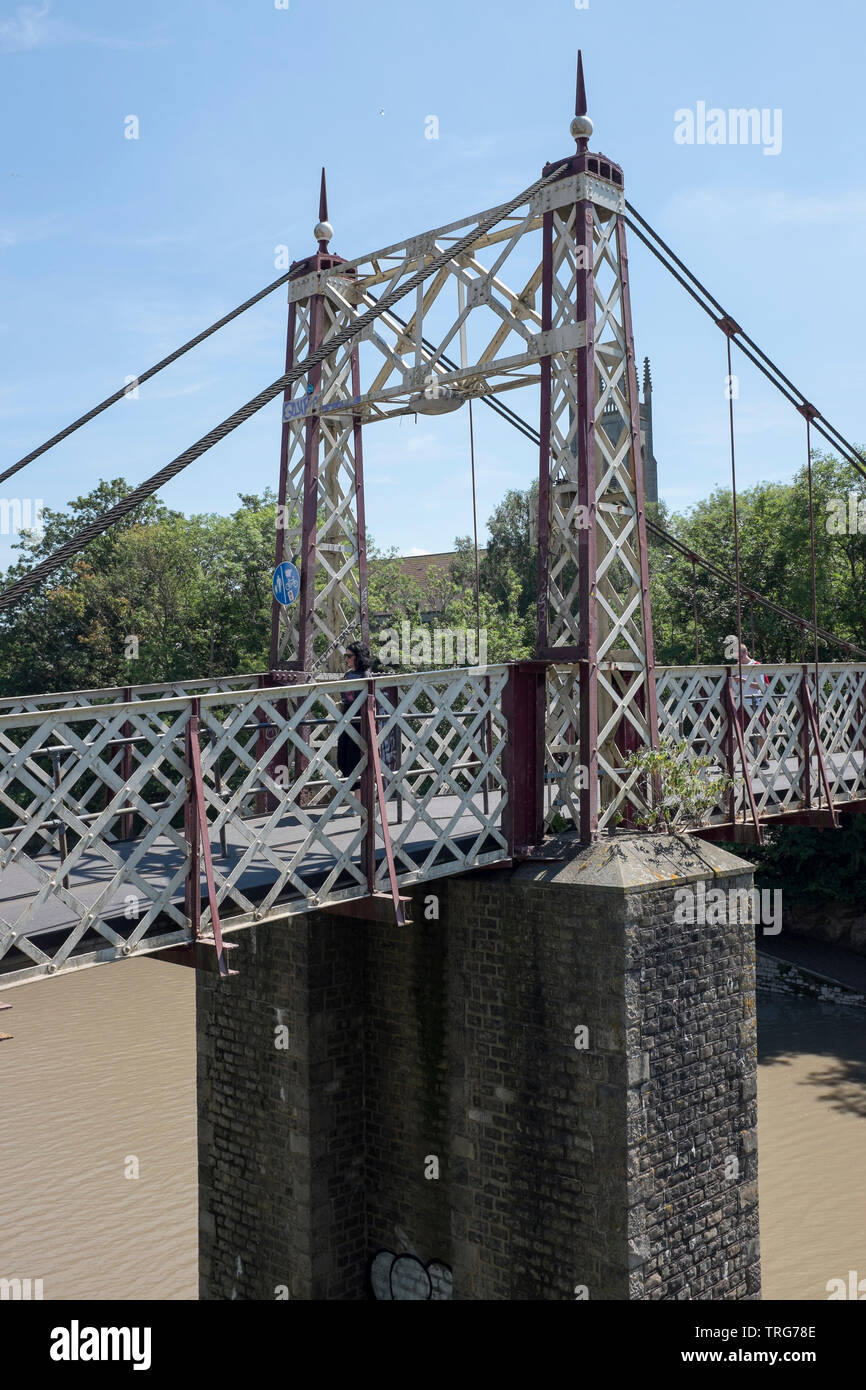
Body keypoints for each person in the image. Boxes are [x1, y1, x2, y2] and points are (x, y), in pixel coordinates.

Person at [337, 641, 374, 786]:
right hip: (347, 717)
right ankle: (355, 800)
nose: (347, 659)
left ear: (358, 656)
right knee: (343, 758)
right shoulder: (348, 674)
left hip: (360, 718)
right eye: (345, 656)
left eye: (349, 656)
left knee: (354, 758)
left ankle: (358, 801)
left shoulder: (365, 674)